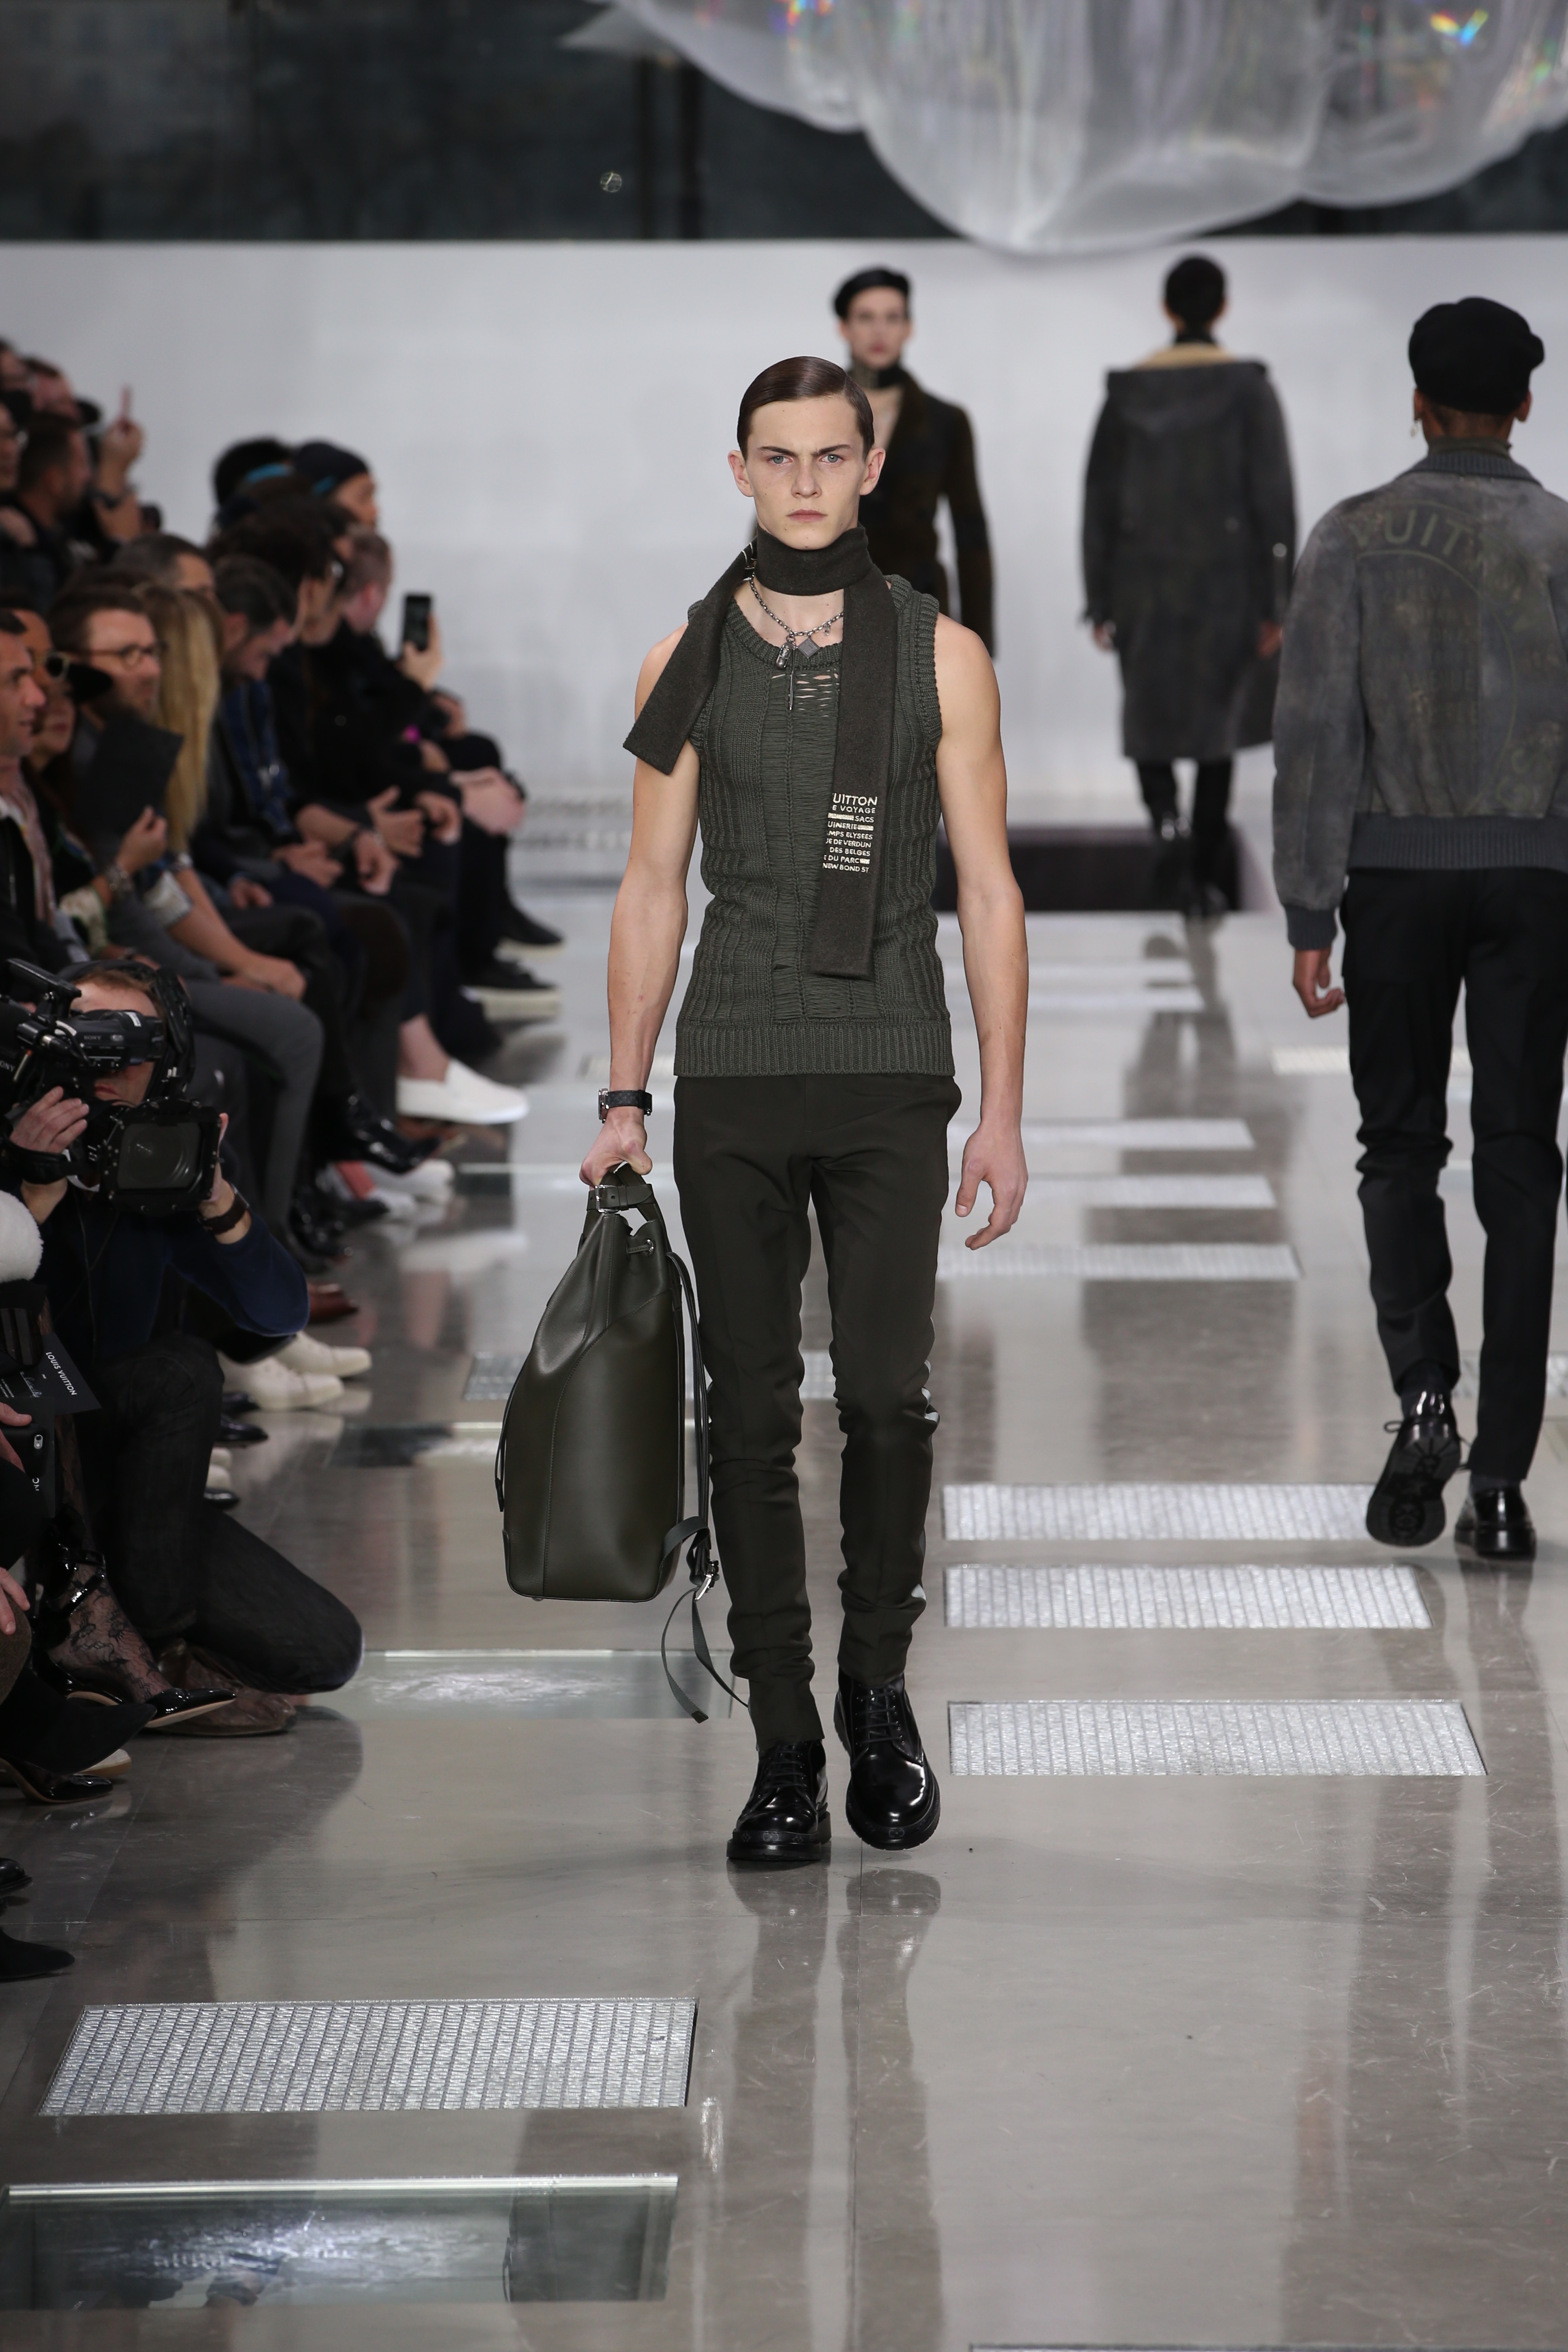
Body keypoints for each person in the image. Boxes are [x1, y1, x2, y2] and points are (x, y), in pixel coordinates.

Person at [583, 354, 1028, 1866]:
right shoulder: (686, 657)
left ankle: (877, 1689)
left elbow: (987, 889)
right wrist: (623, 1091)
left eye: (829, 456)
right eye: (776, 458)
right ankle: (784, 1737)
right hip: (732, 1064)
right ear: (739, 472)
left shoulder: (941, 655)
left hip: (891, 1061)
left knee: (890, 1395)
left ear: (870, 467)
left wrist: (1003, 1111)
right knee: (751, 1411)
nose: (803, 483)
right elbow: (652, 884)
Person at [1274, 296, 1566, 1564]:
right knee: (1521, 1159)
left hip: (1392, 879)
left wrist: (1309, 905)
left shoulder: (1350, 536)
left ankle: (1425, 1392)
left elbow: (1314, 734)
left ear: (1416, 403)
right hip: (1535, 880)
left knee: (1396, 1147)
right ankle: (1499, 1479)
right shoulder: (1562, 539)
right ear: (1525, 405)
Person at [6, 957, 363, 1712]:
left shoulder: (161, 1158)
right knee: (178, 1368)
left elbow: (278, 1313)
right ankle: (153, 1652)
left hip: (127, 1488)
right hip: (20, 1466)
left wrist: (216, 1196)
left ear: (168, 1061)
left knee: (322, 1648)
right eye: (89, 1040)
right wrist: (28, 1194)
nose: (107, 1067)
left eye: (131, 1044)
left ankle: (126, 1635)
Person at [1083, 252, 1295, 914]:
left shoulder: (1128, 394)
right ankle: (1200, 866)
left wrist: (1099, 597)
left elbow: (1099, 502)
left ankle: (1166, 823)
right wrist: (1278, 599)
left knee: (1147, 712)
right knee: (1218, 724)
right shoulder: (1248, 390)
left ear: (1167, 308)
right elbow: (1274, 499)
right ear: (1223, 307)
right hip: (1227, 583)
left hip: (1142, 581)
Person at [833, 268, 993, 652]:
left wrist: (978, 641)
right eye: (866, 317)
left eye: (893, 318)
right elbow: (776, 511)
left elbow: (970, 530)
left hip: (919, 606)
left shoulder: (945, 421)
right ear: (844, 328)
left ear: (909, 328)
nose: (880, 331)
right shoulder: (814, 414)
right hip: (830, 601)